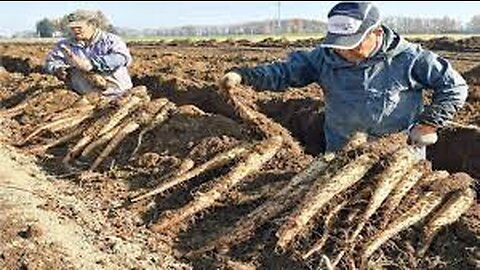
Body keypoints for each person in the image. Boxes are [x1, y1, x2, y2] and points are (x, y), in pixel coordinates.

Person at [219, 1, 468, 157]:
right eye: (339, 44)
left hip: (399, 159)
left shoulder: (410, 58)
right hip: (340, 156)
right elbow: (284, 73)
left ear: (377, 33)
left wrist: (430, 123)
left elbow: (454, 86)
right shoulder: (323, 57)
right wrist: (244, 75)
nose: (344, 51)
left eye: (352, 44)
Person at [44, 10, 133, 97]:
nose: (75, 30)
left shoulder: (111, 40)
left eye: (79, 27)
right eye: (72, 28)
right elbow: (50, 63)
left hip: (117, 95)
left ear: (92, 25)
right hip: (83, 97)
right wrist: (58, 69)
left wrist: (92, 64)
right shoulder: (64, 45)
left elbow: (121, 58)